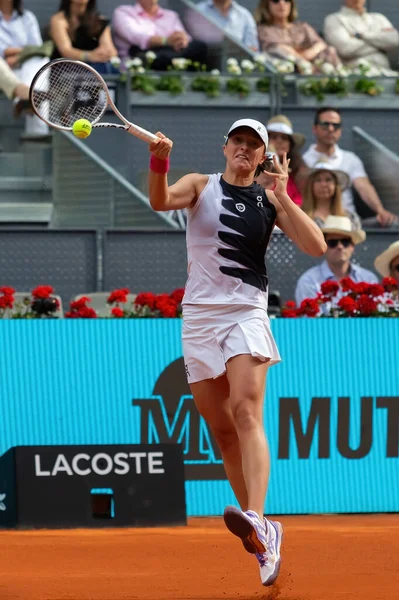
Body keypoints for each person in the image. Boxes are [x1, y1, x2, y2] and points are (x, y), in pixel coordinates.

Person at [147, 118, 326, 586]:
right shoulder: (199, 185)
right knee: (222, 432)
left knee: (247, 411)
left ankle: (259, 515)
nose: (244, 149)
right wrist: (159, 160)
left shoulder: (269, 199)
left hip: (246, 311)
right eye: (238, 142)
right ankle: (264, 538)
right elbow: (160, 199)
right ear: (225, 147)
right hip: (199, 320)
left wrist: (283, 194)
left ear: (264, 155)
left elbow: (316, 245)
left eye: (254, 145)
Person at [302, 107, 399, 228]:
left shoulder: (351, 159)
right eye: (325, 124)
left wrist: (380, 210)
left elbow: (364, 187)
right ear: (314, 128)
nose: (331, 129)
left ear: (341, 130)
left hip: (347, 223)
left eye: (336, 125)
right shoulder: (304, 160)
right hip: (314, 222)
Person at [295, 215, 378, 305]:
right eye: (333, 242)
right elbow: (309, 317)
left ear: (352, 246)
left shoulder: (369, 279)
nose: (340, 246)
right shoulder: (309, 281)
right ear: (323, 247)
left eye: (345, 242)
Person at [0, 0, 49, 138]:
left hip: (25, 68)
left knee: (41, 62)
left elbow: (37, 48)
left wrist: (16, 57)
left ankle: (26, 98)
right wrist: (22, 52)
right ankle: (27, 96)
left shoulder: (27, 17)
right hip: (4, 70)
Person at [112, 0, 208, 70]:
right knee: (146, 55)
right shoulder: (123, 12)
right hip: (138, 60)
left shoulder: (171, 15)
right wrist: (166, 41)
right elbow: (135, 36)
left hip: (170, 55)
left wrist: (182, 40)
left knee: (198, 46)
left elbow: (184, 37)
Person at [254, 0, 341, 74]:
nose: (282, 4)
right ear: (266, 5)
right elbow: (276, 48)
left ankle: (337, 83)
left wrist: (307, 55)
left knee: (330, 51)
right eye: (276, 0)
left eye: (287, 0)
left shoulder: (302, 27)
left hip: (312, 66)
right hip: (286, 70)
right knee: (277, 51)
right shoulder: (263, 29)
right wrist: (300, 60)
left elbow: (320, 44)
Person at [324, 0, 399, 74]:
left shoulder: (379, 18)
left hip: (387, 73)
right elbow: (346, 49)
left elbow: (395, 40)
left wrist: (362, 36)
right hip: (357, 74)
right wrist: (381, 45)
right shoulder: (334, 19)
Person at [50, 0, 119, 75]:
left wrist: (105, 53)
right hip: (67, 72)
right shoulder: (58, 20)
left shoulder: (100, 21)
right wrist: (89, 56)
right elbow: (66, 51)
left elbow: (111, 50)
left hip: (97, 71)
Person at [302, 160, 362, 230]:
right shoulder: (300, 216)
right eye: (318, 180)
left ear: (336, 185)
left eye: (328, 180)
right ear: (311, 185)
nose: (323, 184)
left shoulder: (350, 218)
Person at [184, 0, 259, 52]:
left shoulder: (244, 15)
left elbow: (252, 48)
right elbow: (190, 44)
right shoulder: (197, 11)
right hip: (202, 67)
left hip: (236, 71)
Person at [266, 114, 307, 205]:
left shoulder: (298, 172)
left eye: (284, 138)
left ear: (290, 144)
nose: (279, 141)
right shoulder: (253, 168)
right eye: (274, 137)